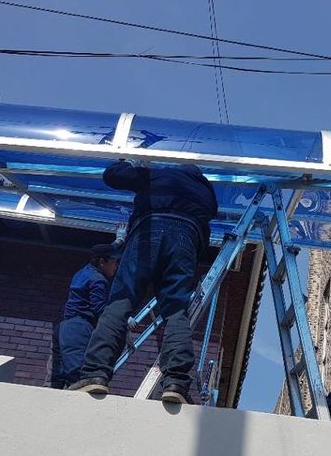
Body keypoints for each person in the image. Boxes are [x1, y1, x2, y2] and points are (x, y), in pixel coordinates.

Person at [69, 160, 218, 404]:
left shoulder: (159, 175)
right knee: (175, 311)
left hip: (149, 229)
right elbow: (208, 219)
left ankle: (95, 373)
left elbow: (112, 176)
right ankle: (176, 383)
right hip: (186, 240)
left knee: (121, 302)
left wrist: (131, 162)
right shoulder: (206, 192)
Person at [50, 243, 119, 389]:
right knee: (79, 377)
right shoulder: (98, 279)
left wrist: (119, 240)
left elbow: (105, 250)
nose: (116, 266)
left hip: (64, 328)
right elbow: (99, 308)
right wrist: (120, 321)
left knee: (57, 377)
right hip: (79, 328)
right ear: (102, 262)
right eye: (114, 262)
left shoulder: (82, 273)